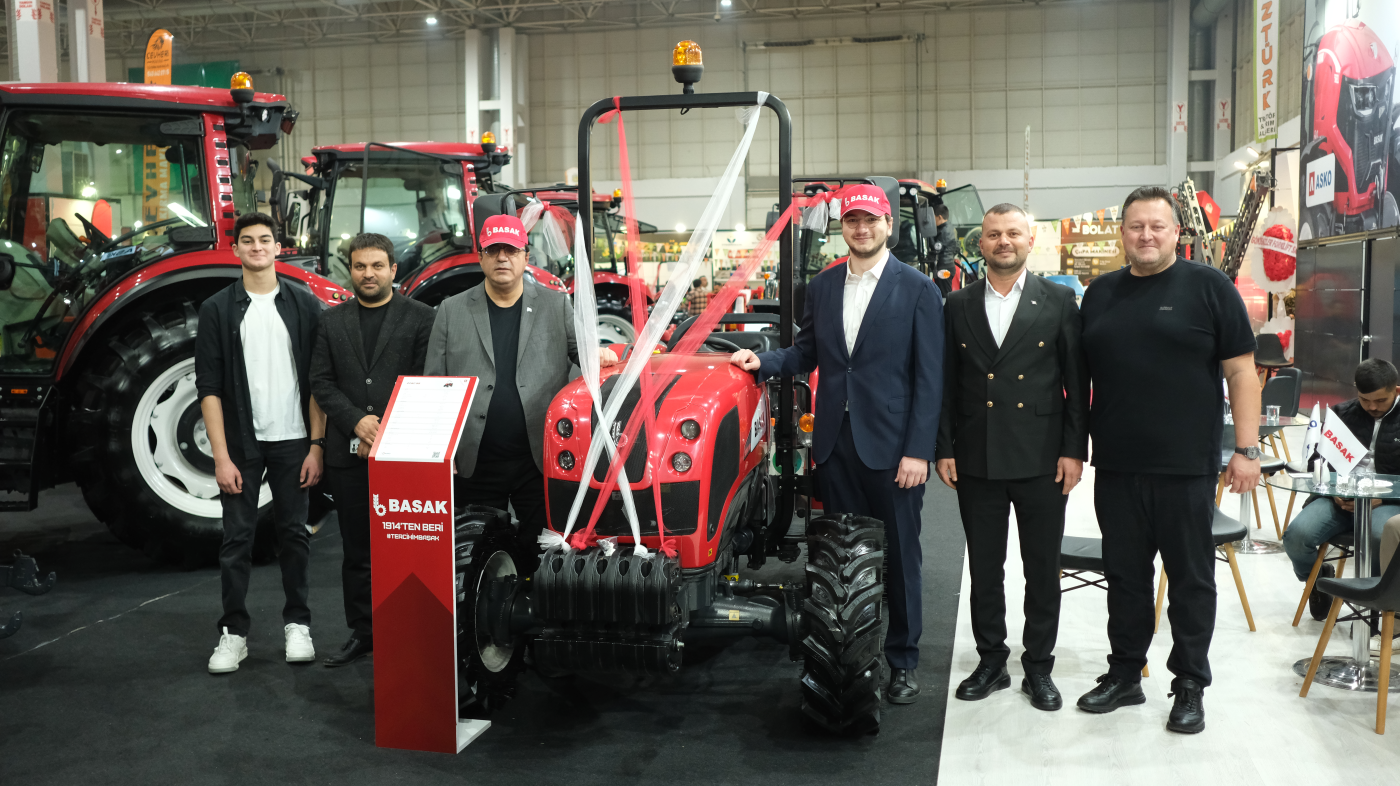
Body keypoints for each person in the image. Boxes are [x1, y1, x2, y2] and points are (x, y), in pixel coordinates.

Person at [729, 183, 944, 704]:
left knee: (900, 557)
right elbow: (806, 351)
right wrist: (763, 362)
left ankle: (903, 660)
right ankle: (850, 657)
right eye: (852, 221)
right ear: (841, 227)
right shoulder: (823, 286)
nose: (861, 229)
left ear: (888, 224)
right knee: (840, 559)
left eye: (870, 220)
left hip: (893, 449)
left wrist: (919, 451)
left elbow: (930, 377)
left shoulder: (917, 288)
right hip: (835, 445)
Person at [1076, 186, 1259, 734]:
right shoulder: (1100, 293)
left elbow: (1242, 372)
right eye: (1136, 226)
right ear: (1122, 233)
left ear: (1177, 232)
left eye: (1157, 226)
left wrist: (1246, 449)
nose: (1146, 235)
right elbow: (1080, 379)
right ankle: (1125, 674)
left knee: (1190, 580)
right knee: (1125, 577)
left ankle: (1190, 685)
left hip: (1186, 467)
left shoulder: (1210, 287)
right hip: (1116, 465)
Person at [935, 204, 1089, 712]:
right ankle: (991, 661)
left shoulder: (1059, 300)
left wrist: (1073, 450)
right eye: (994, 234)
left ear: (1030, 240)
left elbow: (1076, 382)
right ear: (980, 243)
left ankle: (1039, 667)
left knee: (1042, 569)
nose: (1004, 241)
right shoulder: (956, 303)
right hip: (976, 456)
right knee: (985, 569)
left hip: (1042, 457)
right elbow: (946, 383)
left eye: (1013, 233)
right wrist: (944, 448)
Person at [425, 214, 617, 565]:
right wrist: (441, 451)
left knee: (541, 551)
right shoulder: (451, 311)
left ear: (525, 256)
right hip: (475, 461)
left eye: (511, 250)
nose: (502, 258)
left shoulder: (555, 305)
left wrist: (600, 354)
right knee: (476, 555)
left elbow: (583, 354)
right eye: (493, 250)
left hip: (538, 460)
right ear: (480, 256)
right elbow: (436, 384)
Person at [196, 212, 327, 674]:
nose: (257, 247)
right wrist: (221, 457)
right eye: (248, 240)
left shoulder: (305, 304)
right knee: (237, 539)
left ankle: (298, 625)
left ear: (277, 247)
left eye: (265, 240)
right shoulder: (216, 309)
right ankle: (233, 634)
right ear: (236, 250)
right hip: (241, 445)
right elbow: (209, 388)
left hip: (294, 441)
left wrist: (316, 445)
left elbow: (318, 382)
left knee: (294, 536)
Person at [309, 233, 436, 667]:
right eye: (360, 266)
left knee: (407, 547)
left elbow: (424, 379)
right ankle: (364, 633)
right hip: (347, 458)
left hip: (404, 455)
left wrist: (385, 431)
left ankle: (409, 629)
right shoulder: (331, 321)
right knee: (357, 551)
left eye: (377, 266)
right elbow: (321, 381)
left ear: (393, 270)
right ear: (350, 270)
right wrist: (357, 422)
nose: (369, 274)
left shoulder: (422, 317)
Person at [1283, 360, 1400, 618]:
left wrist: (1380, 499)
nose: (1372, 407)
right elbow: (1317, 463)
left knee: (1381, 537)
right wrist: (1334, 492)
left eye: (1380, 400)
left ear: (1396, 390)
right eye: (1365, 400)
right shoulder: (1342, 414)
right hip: (1340, 498)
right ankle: (1317, 581)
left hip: (1387, 501)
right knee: (1297, 536)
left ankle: (1379, 604)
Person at [932, 204, 959, 296]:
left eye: (934, 218)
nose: (933, 221)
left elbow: (937, 247)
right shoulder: (949, 228)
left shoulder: (945, 230)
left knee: (944, 295)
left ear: (939, 217)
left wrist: (929, 236)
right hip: (947, 264)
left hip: (944, 266)